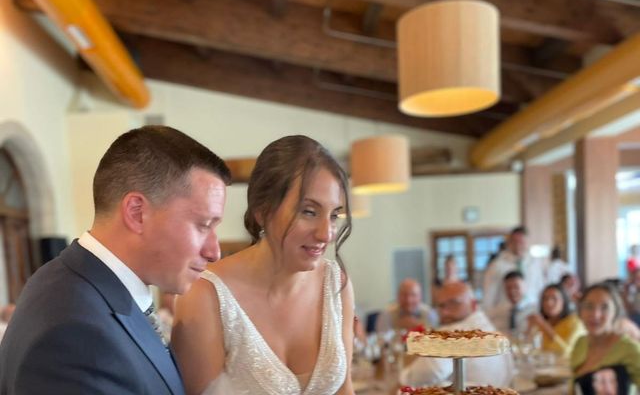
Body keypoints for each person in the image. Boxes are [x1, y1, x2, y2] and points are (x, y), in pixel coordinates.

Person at [0, 125, 231, 395]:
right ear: (137, 213)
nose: (214, 251)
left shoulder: (79, 283)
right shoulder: (76, 333)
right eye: (204, 225)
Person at [172, 135, 355, 395]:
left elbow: (345, 390)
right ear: (262, 210)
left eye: (334, 215)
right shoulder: (206, 295)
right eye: (309, 212)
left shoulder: (337, 283)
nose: (326, 234)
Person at [400, 281, 514, 388]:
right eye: (441, 306)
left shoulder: (455, 331)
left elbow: (427, 373)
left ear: (473, 304)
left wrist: (403, 379)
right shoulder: (487, 326)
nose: (445, 312)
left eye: (454, 303)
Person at [571, 283, 640, 395]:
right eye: (589, 306)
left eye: (605, 308)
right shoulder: (580, 343)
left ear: (615, 312)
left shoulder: (629, 348)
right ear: (580, 311)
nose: (596, 314)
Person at [482, 226, 546, 311]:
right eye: (515, 242)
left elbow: (540, 288)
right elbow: (489, 294)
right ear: (509, 243)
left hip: (530, 310)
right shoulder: (496, 265)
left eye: (522, 242)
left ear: (527, 242)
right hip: (506, 312)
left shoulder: (534, 263)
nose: (518, 245)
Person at [526, 283, 585, 358]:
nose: (549, 303)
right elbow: (528, 349)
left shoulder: (575, 323)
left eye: (554, 298)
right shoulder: (542, 321)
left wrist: (544, 326)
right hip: (545, 367)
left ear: (564, 301)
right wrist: (529, 328)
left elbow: (565, 353)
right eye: (545, 299)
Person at [487, 271, 537, 337]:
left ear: (525, 286)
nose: (512, 291)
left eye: (516, 287)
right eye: (508, 288)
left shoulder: (534, 310)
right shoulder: (498, 311)